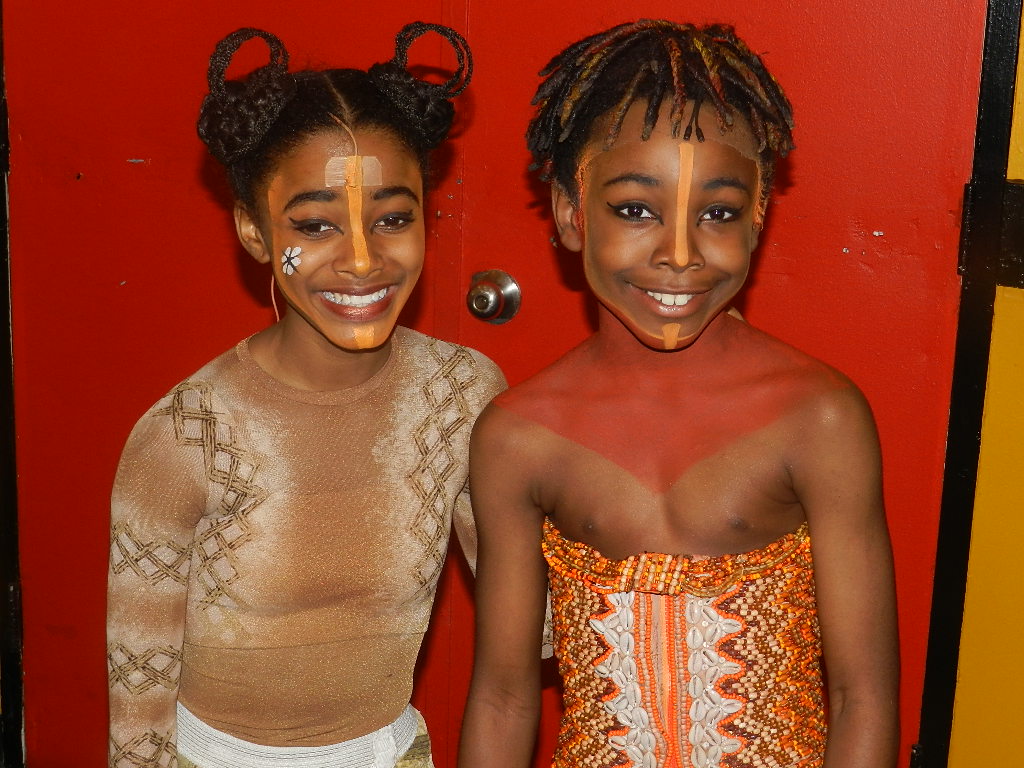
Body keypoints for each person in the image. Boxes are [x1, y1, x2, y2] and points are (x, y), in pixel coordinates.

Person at [459, 20, 898, 768]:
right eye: (635, 209)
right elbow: (503, 696)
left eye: (718, 214)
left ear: (760, 214)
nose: (681, 252)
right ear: (571, 212)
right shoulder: (517, 436)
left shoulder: (817, 418)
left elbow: (865, 699)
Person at [107, 22, 505, 768]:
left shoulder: (461, 395)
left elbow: (536, 617)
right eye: (315, 225)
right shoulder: (185, 435)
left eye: (393, 218)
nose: (362, 259)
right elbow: (138, 709)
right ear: (253, 231)